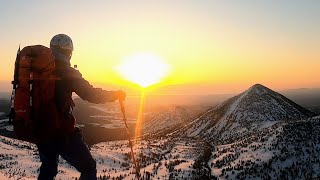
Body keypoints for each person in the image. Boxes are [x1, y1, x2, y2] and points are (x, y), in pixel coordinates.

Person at [36, 34, 126, 180]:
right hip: (62, 132)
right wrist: (116, 95)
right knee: (88, 167)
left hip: (40, 130)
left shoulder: (38, 71)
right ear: (68, 52)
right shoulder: (68, 72)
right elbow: (91, 95)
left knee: (48, 169)